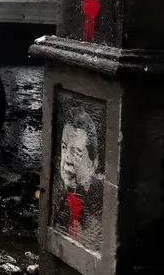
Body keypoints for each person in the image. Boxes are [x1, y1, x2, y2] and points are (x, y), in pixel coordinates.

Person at [51, 105, 104, 248]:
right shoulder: (60, 198)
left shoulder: (99, 212)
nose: (66, 159)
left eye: (76, 152)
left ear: (93, 163)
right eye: (64, 147)